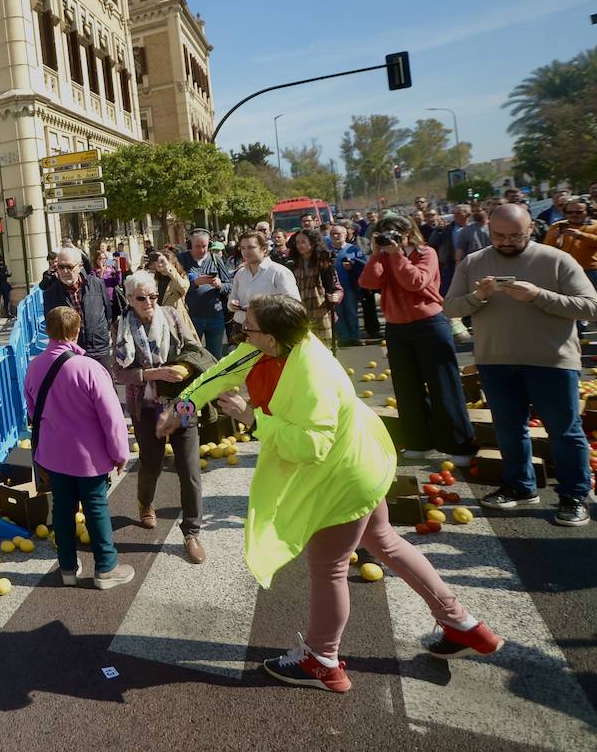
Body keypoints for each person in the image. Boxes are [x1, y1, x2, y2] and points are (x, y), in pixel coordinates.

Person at [179, 294, 503, 692]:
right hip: (363, 458)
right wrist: (184, 403)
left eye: (248, 328)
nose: (241, 334)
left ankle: (322, 659)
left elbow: (310, 446)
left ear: (272, 335)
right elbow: (227, 368)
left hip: (345, 475)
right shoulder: (282, 343)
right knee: (384, 540)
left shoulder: (313, 372)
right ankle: (464, 624)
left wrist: (250, 417)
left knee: (329, 566)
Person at [446, 204, 597, 526]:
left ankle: (574, 496)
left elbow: (593, 308)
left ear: (531, 229)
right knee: (509, 429)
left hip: (552, 362)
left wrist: (538, 296)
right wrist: (478, 297)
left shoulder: (556, 259)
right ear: (488, 230)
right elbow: (450, 307)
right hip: (495, 361)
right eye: (498, 235)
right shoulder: (474, 262)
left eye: (514, 235)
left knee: (565, 431)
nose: (505, 242)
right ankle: (519, 486)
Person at [24, 306, 134, 589]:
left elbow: (32, 409)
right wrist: (120, 453)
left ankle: (67, 568)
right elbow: (111, 417)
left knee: (61, 509)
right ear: (76, 331)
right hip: (89, 458)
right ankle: (106, 568)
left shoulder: (34, 366)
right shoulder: (89, 368)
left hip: (52, 455)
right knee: (96, 507)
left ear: (47, 332)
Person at [112, 272, 213, 562]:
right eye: (142, 298)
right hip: (146, 408)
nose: (149, 303)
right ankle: (145, 503)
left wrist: (185, 369)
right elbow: (118, 372)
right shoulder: (121, 326)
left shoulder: (170, 315)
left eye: (153, 296)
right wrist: (154, 374)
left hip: (181, 403)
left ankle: (192, 532)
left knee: (190, 470)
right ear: (130, 299)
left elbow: (194, 349)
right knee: (151, 465)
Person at [359, 214, 475, 463]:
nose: (389, 238)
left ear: (408, 233)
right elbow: (368, 281)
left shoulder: (426, 253)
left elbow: (416, 282)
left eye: (394, 233)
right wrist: (377, 254)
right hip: (397, 329)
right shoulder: (384, 256)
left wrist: (398, 255)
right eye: (383, 233)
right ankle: (419, 441)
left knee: (444, 386)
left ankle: (458, 445)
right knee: (407, 388)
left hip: (430, 324)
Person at [544, 198, 597, 340]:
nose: (574, 215)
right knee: (571, 301)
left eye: (578, 212)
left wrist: (580, 235)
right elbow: (547, 248)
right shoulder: (557, 226)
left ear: (589, 211)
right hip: (567, 270)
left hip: (593, 268)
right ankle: (577, 332)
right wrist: (553, 238)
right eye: (570, 212)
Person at [41, 245, 115, 371]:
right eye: (61, 267)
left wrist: (101, 336)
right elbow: (52, 327)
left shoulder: (96, 284)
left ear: (79, 266)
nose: (65, 271)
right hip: (69, 355)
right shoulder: (50, 294)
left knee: (106, 388)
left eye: (69, 267)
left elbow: (108, 314)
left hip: (98, 351)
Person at [179, 230, 233, 359]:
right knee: (192, 355)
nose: (202, 250)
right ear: (190, 244)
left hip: (215, 316)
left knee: (215, 356)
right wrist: (194, 283)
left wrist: (219, 284)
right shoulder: (181, 260)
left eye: (205, 246)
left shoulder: (216, 260)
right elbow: (174, 286)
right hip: (191, 316)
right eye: (198, 246)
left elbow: (229, 286)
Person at [285, 227, 341, 349]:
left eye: (303, 242)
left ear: (313, 242)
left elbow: (336, 287)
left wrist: (336, 296)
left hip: (321, 311)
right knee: (303, 346)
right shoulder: (292, 264)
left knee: (325, 346)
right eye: (298, 242)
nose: (300, 245)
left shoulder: (324, 263)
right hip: (299, 311)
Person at [228, 230, 299, 327]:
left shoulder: (279, 272)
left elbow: (293, 304)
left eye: (251, 247)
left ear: (264, 248)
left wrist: (264, 309)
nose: (246, 252)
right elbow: (232, 298)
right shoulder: (240, 274)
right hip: (241, 326)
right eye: (243, 248)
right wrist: (232, 304)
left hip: (268, 328)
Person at [328, 224, 366, 347]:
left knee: (351, 312)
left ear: (345, 235)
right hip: (334, 288)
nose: (335, 236)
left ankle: (354, 337)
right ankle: (343, 338)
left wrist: (352, 266)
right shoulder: (327, 251)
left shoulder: (353, 250)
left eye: (338, 233)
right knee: (338, 314)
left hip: (349, 286)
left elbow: (364, 266)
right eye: (332, 234)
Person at [0, 252, 14, 319]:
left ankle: (8, 313)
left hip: (4, 284)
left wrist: (4, 274)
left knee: (7, 299)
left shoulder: (4, 265)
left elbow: (9, 273)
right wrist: (4, 274)